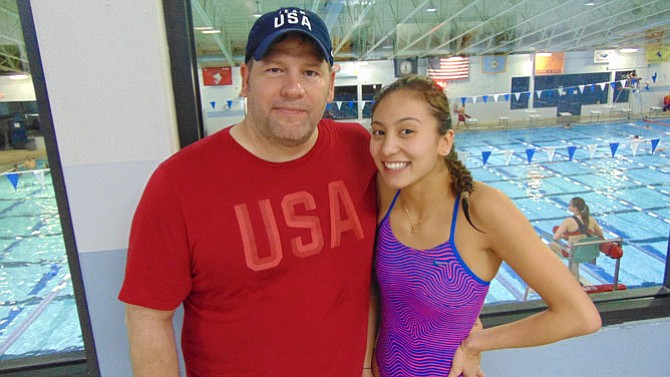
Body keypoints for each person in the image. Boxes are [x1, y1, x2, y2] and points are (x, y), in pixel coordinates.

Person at [119, 7, 379, 376]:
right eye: (275, 69)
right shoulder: (178, 184)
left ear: (330, 83)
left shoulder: (360, 150)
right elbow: (148, 316)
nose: (293, 88)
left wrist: (463, 320)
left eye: (310, 72)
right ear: (245, 79)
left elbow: (418, 231)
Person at [368, 75, 601, 377]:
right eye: (378, 132)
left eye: (407, 131)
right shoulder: (386, 189)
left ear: (445, 141)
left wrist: (475, 344)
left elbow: (580, 316)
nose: (388, 148)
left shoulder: (481, 210)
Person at [550, 197, 605, 261]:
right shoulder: (591, 219)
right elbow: (600, 234)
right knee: (576, 250)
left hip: (573, 254)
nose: (568, 205)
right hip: (589, 253)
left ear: (575, 208)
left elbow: (555, 237)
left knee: (551, 244)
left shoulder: (568, 221)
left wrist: (564, 237)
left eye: (570, 204)